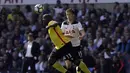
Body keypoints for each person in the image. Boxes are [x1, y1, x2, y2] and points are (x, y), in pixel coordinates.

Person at [61, 8, 85, 73]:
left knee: (79, 65)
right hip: (67, 47)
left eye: (69, 14)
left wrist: (82, 35)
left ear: (73, 15)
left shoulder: (77, 23)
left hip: (76, 46)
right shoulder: (64, 23)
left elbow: (82, 32)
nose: (68, 16)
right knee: (68, 65)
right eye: (67, 14)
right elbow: (61, 33)